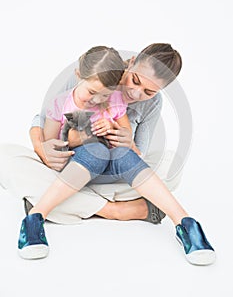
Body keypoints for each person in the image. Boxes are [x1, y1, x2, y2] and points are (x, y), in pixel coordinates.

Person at [15, 45, 215, 265]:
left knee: (167, 163)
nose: (136, 94)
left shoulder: (147, 104)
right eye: (135, 81)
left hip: (116, 173)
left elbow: (139, 151)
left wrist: (124, 138)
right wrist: (43, 149)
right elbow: (45, 122)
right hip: (75, 167)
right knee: (11, 160)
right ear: (129, 64)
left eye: (149, 92)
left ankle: (186, 222)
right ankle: (50, 214)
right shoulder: (100, 71)